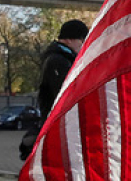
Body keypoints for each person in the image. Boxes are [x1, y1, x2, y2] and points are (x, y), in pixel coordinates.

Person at [20, 19, 89, 160]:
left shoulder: (63, 59)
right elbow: (65, 95)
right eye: (82, 41)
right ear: (70, 39)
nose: (83, 46)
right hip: (57, 126)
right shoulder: (57, 61)